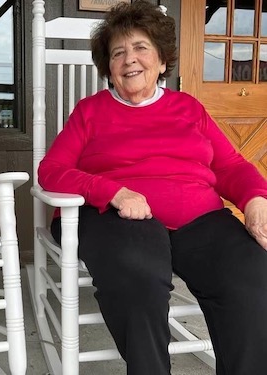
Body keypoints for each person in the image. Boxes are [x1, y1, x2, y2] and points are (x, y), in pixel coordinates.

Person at [37, 1, 267, 374]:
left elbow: (230, 166)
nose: (130, 59)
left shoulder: (189, 108)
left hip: (200, 222)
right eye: (118, 52)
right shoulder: (90, 112)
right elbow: (52, 170)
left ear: (162, 61)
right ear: (108, 68)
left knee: (253, 274)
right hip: (116, 218)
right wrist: (112, 191)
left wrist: (256, 199)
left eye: (141, 47)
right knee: (138, 272)